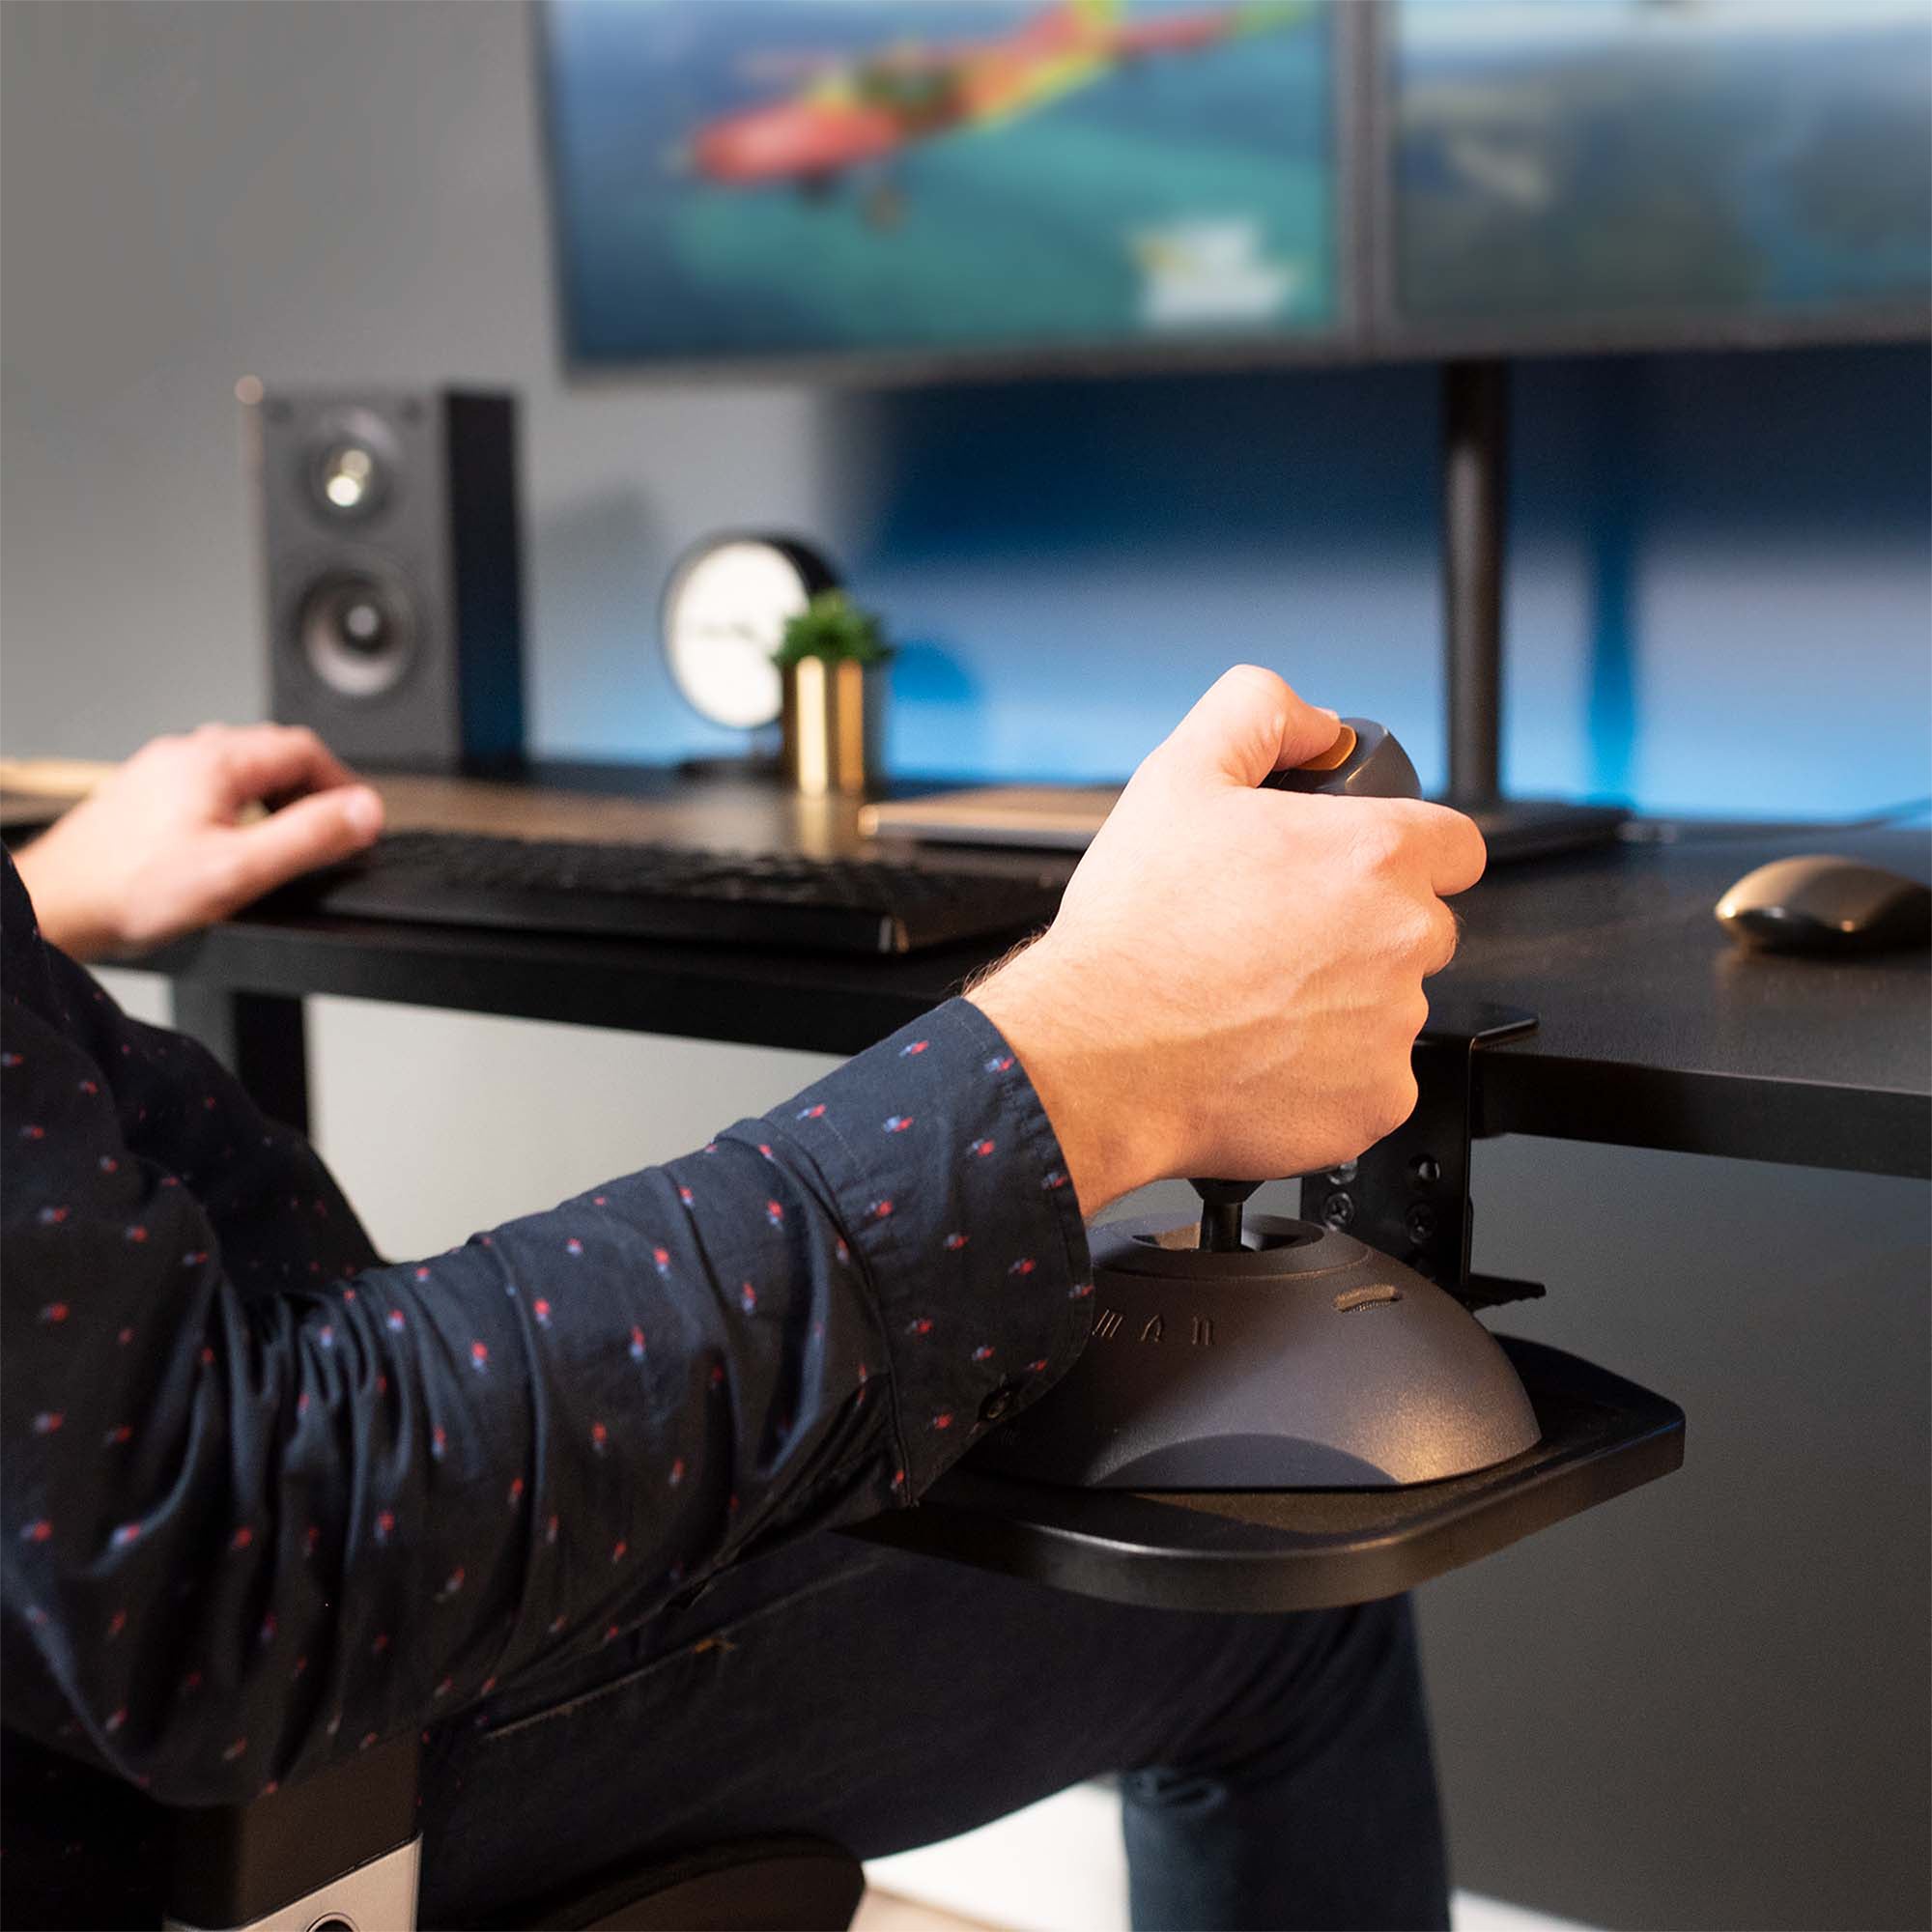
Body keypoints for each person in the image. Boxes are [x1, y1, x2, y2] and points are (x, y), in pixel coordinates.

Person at [2, 671, 1485, 1930]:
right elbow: (213, 1544)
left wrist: (35, 905)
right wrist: (1088, 1067)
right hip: (226, 1760)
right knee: (1273, 1577)